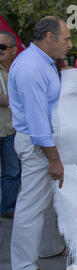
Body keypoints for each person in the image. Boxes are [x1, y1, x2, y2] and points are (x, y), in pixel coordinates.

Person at [8, 16, 72, 270]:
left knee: (45, 203)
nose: (70, 44)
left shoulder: (42, 64)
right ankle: (23, 265)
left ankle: (46, 248)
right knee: (31, 206)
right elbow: (37, 121)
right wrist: (54, 158)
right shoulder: (31, 68)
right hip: (38, 145)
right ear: (50, 37)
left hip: (43, 144)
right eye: (66, 38)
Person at [0, 31, 21, 219]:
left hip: (12, 129)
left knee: (13, 172)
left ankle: (8, 209)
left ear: (13, 50)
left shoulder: (19, 69)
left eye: (3, 47)